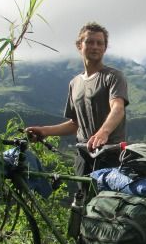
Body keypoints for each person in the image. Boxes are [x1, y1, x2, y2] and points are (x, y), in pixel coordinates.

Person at [26, 22, 129, 175]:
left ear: (105, 48)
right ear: (79, 45)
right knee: (84, 197)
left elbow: (118, 108)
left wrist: (103, 132)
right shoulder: (74, 83)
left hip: (110, 153)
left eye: (99, 43)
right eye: (89, 42)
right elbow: (75, 124)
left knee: (107, 198)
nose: (95, 46)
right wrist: (44, 131)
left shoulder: (113, 76)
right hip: (83, 154)